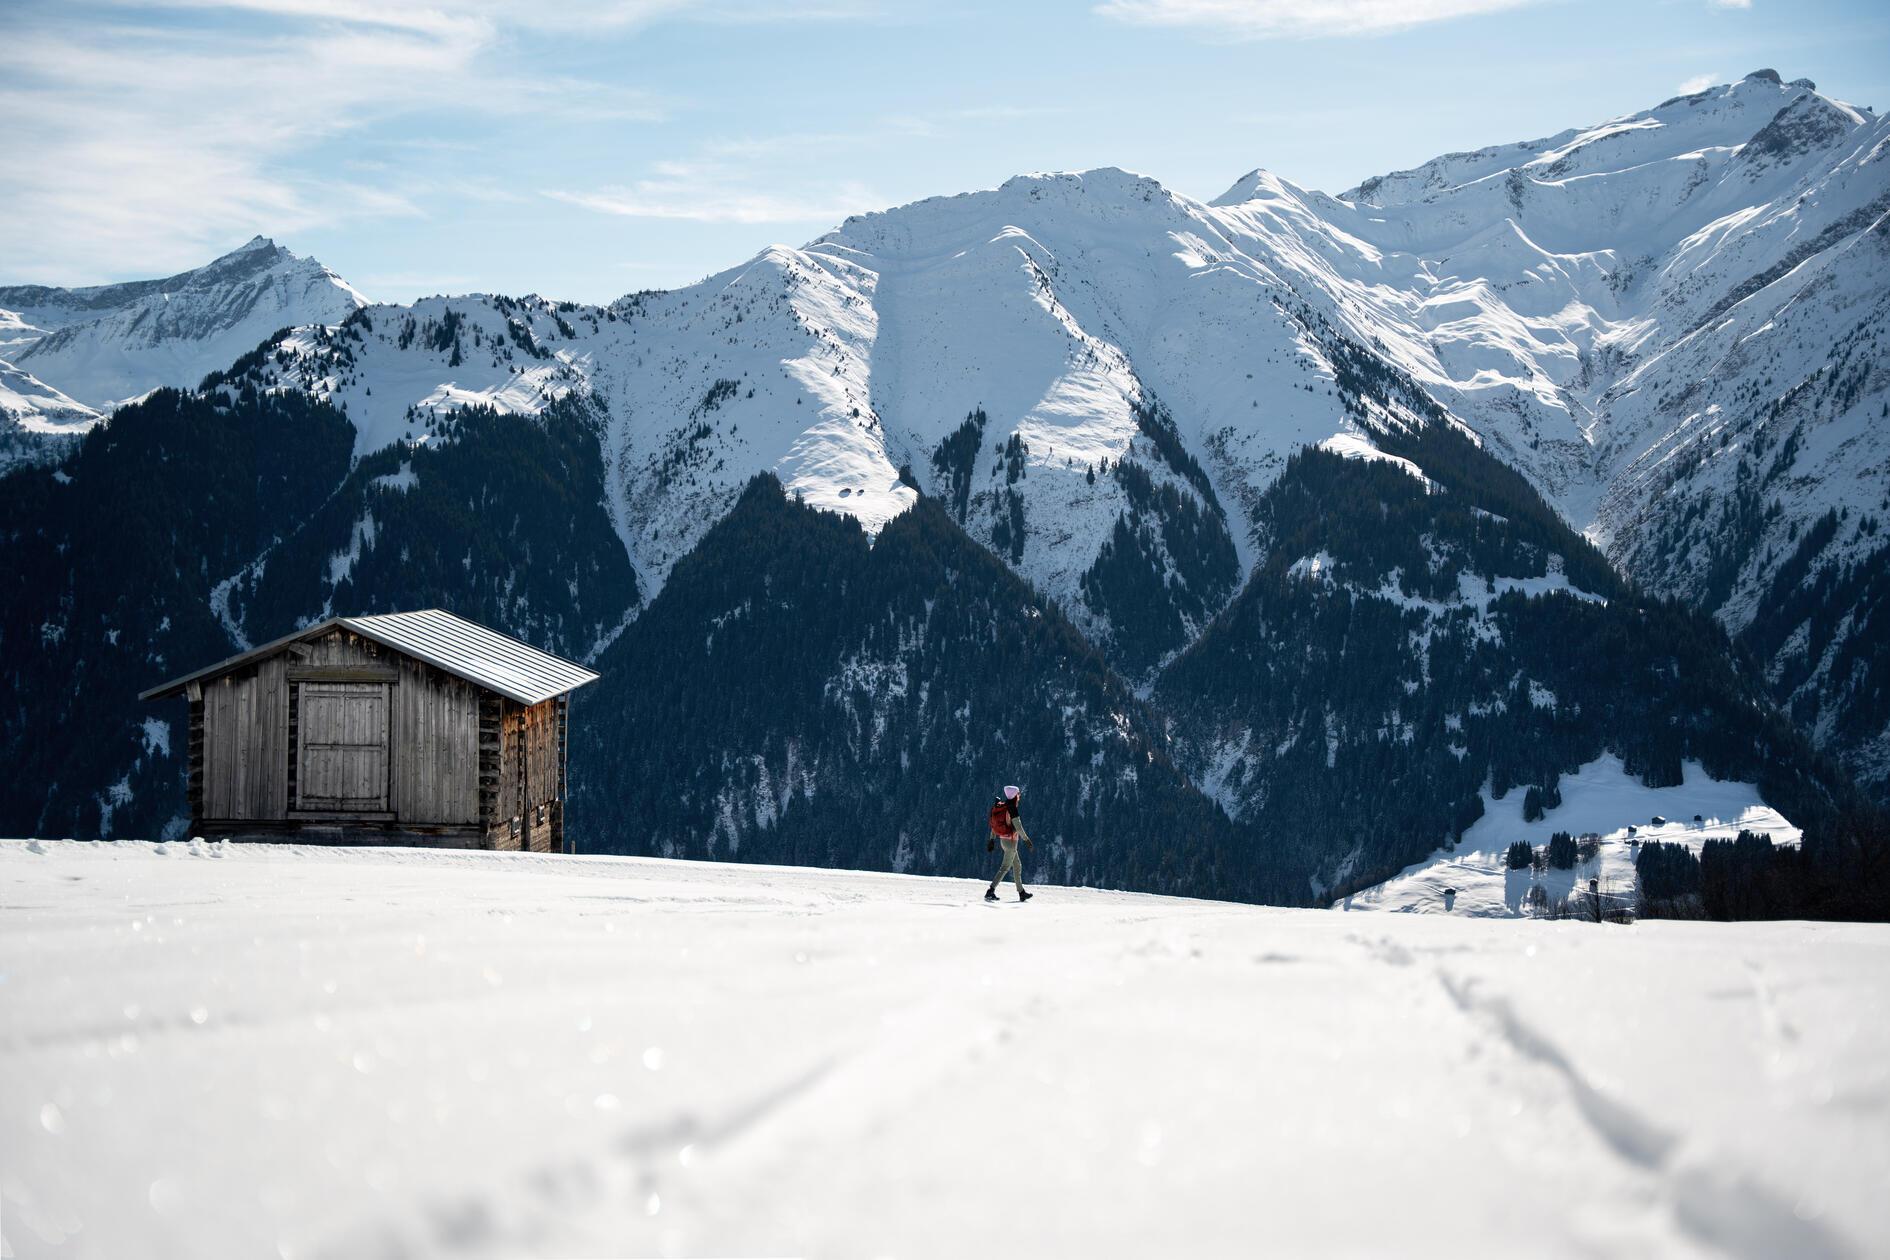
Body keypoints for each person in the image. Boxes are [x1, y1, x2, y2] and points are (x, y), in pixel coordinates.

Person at [985, 784, 1033, 902]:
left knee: (1017, 865)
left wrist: (992, 839)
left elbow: (994, 826)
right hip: (1011, 843)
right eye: (1018, 794)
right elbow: (1019, 828)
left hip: (1003, 840)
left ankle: (1021, 892)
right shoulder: (1012, 809)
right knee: (1005, 867)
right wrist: (1027, 840)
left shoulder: (1003, 806)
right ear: (1015, 796)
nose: (1019, 796)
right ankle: (990, 891)